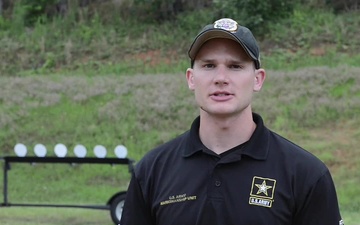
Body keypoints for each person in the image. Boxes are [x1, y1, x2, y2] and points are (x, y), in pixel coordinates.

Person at [120, 18, 343, 225]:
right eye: (208, 65)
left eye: (235, 66)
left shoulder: (305, 173)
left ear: (257, 79)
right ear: (191, 78)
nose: (220, 78)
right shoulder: (152, 171)